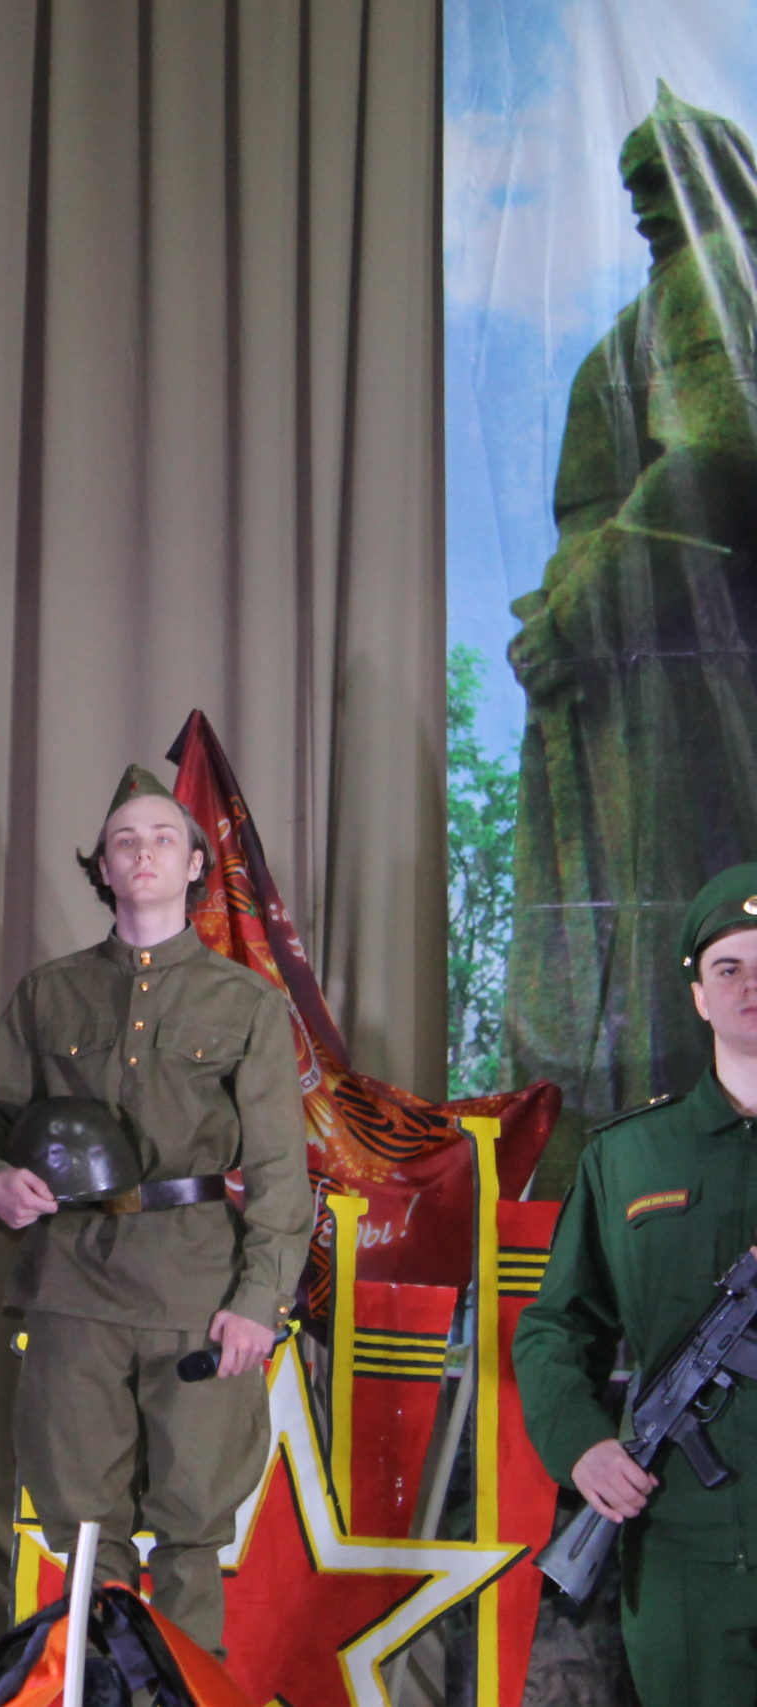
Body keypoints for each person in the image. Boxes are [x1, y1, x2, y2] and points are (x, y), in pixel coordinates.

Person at [0, 764, 306, 1655]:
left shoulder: (247, 1002)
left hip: (198, 1292)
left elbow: (279, 1171)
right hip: (72, 1287)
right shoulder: (49, 994)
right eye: (124, 841)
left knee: (192, 1534)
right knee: (83, 1531)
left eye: (162, 838)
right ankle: (97, 1688)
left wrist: (258, 1300)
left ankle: (182, 1692)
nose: (143, 853)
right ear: (102, 867)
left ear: (195, 863)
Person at [506, 85, 757, 1123]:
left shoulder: (716, 277)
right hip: (619, 674)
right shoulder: (660, 306)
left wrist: (578, 613)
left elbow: (717, 456)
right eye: (634, 184)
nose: (647, 203)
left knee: (672, 945)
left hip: (673, 676)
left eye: (665, 178)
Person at [514, 860, 757, 1707]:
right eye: (729, 967)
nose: (750, 985)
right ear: (699, 995)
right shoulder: (628, 1157)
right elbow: (557, 1326)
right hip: (686, 1549)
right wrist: (582, 1444)